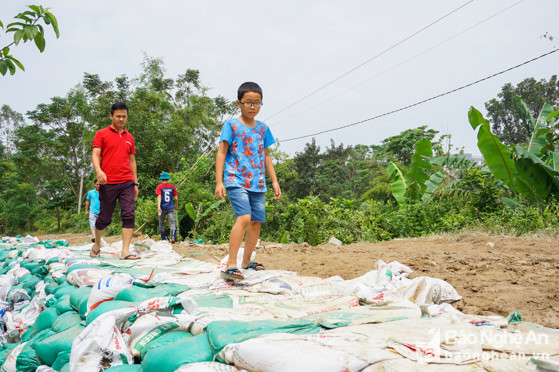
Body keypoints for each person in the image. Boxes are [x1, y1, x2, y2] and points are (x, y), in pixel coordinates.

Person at [215, 82, 281, 280]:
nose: (252, 107)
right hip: (236, 179)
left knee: (256, 222)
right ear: (239, 103)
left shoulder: (263, 128)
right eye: (248, 103)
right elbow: (221, 152)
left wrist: (275, 182)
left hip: (258, 182)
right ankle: (231, 264)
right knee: (243, 218)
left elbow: (267, 157)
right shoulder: (231, 125)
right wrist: (219, 182)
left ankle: (246, 262)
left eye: (257, 103)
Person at [91, 102, 140, 260]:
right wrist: (99, 171)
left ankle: (125, 251)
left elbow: (132, 161)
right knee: (104, 218)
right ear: (111, 116)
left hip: (126, 181)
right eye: (118, 116)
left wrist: (135, 182)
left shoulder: (129, 137)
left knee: (128, 215)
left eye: (124, 116)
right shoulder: (101, 134)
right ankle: (97, 243)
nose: (121, 119)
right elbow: (95, 155)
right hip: (108, 182)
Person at [156, 172, 179, 243]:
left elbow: (159, 197)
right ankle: (172, 237)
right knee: (172, 222)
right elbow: (176, 198)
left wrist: (159, 207)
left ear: (162, 179)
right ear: (168, 179)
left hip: (162, 208)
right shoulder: (172, 187)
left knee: (161, 223)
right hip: (170, 208)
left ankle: (163, 239)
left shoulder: (159, 187)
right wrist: (176, 206)